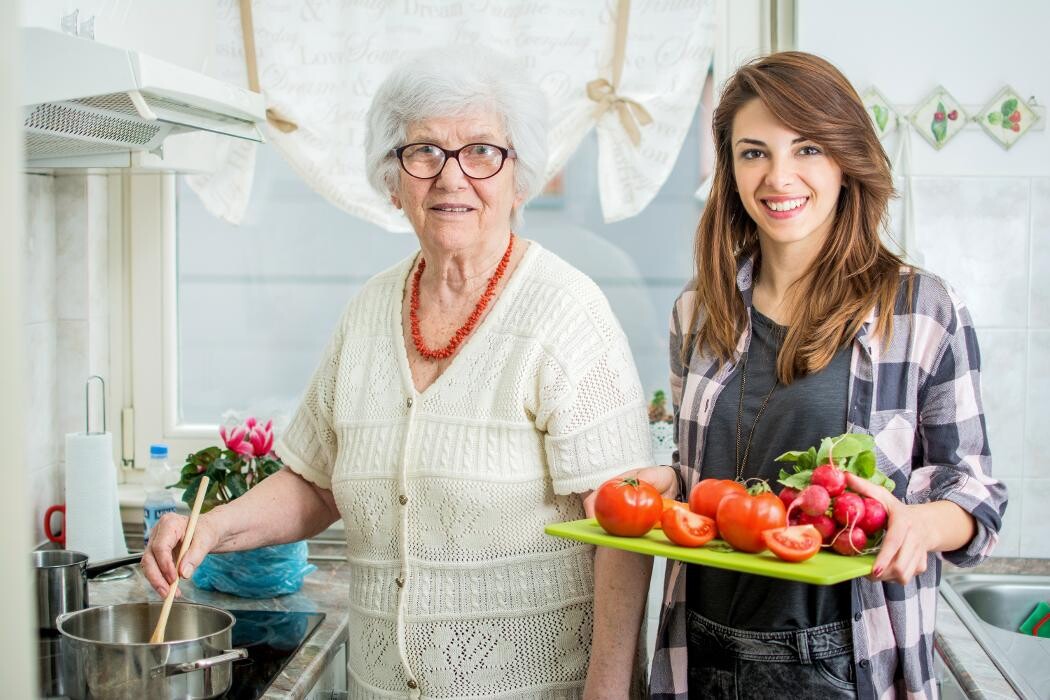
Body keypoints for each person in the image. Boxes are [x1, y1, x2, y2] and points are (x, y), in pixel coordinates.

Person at [142, 47, 662, 699]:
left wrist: (609, 691)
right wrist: (210, 529)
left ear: (518, 176)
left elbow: (623, 529)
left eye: (481, 151)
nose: (451, 178)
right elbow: (316, 482)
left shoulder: (565, 314)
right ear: (393, 180)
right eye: (423, 152)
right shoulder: (367, 314)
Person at [642, 52, 1008, 699]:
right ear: (729, 170)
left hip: (846, 660)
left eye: (806, 148)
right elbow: (707, 476)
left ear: (846, 159)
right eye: (753, 153)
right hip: (700, 652)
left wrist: (923, 525)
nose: (778, 177)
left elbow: (975, 489)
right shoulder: (697, 312)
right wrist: (663, 480)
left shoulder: (922, 309)